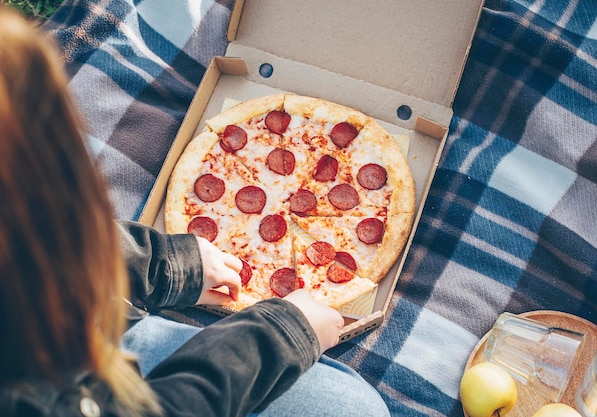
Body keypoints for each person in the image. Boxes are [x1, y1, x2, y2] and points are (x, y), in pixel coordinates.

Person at [0, 6, 390, 417]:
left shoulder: (25, 243)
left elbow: (50, 243)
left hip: (75, 329)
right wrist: (281, 336)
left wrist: (166, 264)